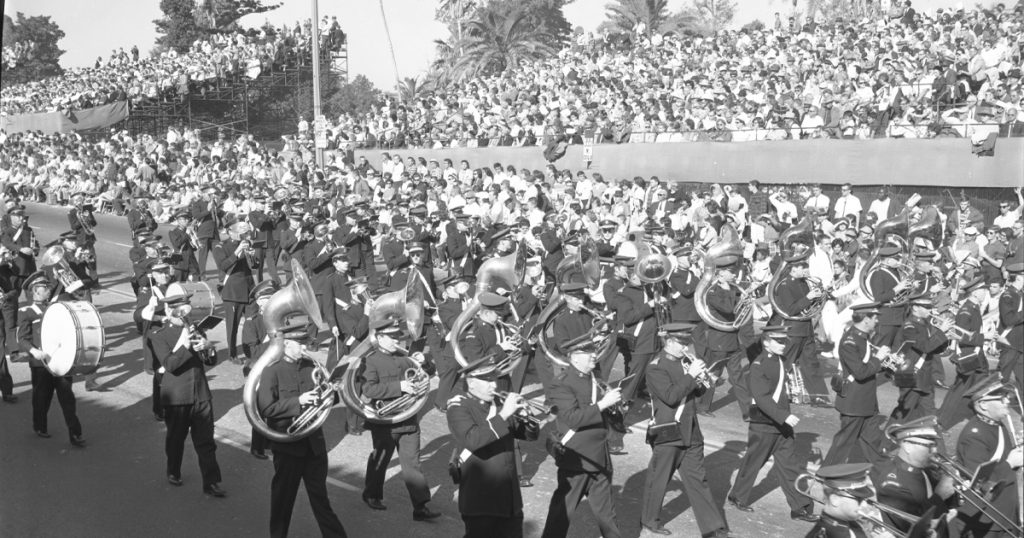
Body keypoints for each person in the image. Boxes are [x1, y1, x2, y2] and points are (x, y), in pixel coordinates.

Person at [640, 323, 730, 537]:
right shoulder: (656, 367)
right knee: (659, 479)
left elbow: (694, 394)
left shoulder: (685, 363)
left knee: (698, 479)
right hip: (668, 430)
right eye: (682, 343)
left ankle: (712, 527)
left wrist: (704, 380)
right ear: (669, 342)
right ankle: (649, 521)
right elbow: (671, 397)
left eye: (687, 343)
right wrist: (691, 375)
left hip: (691, 430)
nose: (686, 348)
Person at [256, 328, 348, 538]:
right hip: (288, 448)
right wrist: (299, 401)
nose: (306, 347)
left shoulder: (312, 367)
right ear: (286, 343)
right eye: (301, 343)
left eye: (306, 342)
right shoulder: (273, 371)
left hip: (314, 446)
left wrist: (333, 391)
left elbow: (328, 402)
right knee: (282, 501)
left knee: (321, 501)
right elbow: (266, 409)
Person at [727, 325, 816, 522]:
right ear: (766, 343)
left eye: (784, 340)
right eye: (778, 341)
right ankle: (737, 496)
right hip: (765, 424)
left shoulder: (781, 361)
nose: (783, 344)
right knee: (754, 463)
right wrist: (783, 416)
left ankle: (799, 507)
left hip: (782, 425)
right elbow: (761, 398)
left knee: (790, 466)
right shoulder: (758, 365)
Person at [446, 354, 536, 538]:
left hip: (509, 498)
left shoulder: (499, 404)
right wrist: (503, 415)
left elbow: (528, 435)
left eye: (494, 380)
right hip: (480, 500)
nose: (494, 386)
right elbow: (473, 439)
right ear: (471, 383)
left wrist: (528, 419)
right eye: (487, 381)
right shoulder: (459, 407)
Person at [540, 344, 624, 538]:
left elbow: (604, 415)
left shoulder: (596, 380)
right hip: (577, 457)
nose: (594, 356)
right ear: (574, 357)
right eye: (588, 353)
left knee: (607, 516)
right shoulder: (562, 382)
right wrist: (603, 404)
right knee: (562, 514)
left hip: (599, 456)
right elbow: (572, 418)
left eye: (594, 352)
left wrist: (617, 409)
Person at [360, 318, 439, 520]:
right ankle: (372, 494)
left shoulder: (405, 357)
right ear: (379, 337)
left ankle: (420, 507)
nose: (397, 341)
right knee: (381, 457)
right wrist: (400, 387)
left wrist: (425, 362)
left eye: (398, 337)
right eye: (392, 337)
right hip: (385, 420)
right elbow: (368, 389)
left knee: (412, 463)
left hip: (409, 419)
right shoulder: (371, 360)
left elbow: (428, 373)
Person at [149, 288, 225, 497]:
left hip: (200, 393)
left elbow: (210, 361)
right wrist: (184, 342)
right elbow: (171, 365)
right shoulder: (159, 336)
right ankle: (173, 470)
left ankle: (211, 482)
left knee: (206, 441)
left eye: (184, 308)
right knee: (176, 439)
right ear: (168, 310)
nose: (183, 313)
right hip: (177, 397)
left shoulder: (196, 329)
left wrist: (208, 347)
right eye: (178, 309)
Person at [17, 271, 85, 447]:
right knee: (42, 397)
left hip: (61, 360)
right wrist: (33, 351)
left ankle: (75, 433)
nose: (48, 290)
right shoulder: (26, 312)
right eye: (44, 287)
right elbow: (22, 339)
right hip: (40, 363)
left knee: (67, 398)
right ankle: (40, 426)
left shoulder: (56, 308)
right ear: (35, 291)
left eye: (48, 287)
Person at [950, 375, 1022, 537]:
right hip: (986, 519)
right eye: (1002, 397)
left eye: (1007, 396)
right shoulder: (974, 435)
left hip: (1004, 513)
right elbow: (978, 480)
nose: (1007, 401)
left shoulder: (996, 424)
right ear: (983, 405)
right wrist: (1010, 463)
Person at [822, 302, 887, 466]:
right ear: (866, 319)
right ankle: (826, 473)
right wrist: (878, 358)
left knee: (873, 444)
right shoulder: (850, 342)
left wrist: (885, 363)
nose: (877, 321)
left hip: (866, 402)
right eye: (875, 318)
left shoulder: (863, 338)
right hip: (854, 402)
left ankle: (884, 479)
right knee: (843, 444)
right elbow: (860, 372)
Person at [869, 416, 951, 534]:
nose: (934, 451)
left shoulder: (925, 468)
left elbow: (945, 505)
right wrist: (939, 496)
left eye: (935, 445)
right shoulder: (892, 485)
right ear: (907, 446)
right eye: (929, 446)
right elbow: (915, 529)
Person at [937, 277, 990, 430]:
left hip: (976, 354)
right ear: (974, 293)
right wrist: (983, 337)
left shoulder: (973, 307)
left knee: (981, 386)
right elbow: (960, 336)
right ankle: (942, 422)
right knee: (959, 391)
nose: (984, 292)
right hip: (969, 354)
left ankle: (977, 416)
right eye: (982, 290)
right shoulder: (966, 310)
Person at [891, 297, 949, 422]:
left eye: (930, 307)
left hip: (924, 375)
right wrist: (941, 332)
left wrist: (943, 335)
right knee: (904, 412)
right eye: (927, 307)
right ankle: (888, 438)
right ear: (915, 308)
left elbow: (934, 349)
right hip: (909, 373)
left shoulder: (925, 323)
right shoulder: (909, 326)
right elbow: (925, 347)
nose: (930, 310)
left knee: (929, 413)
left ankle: (933, 436)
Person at [243, 279, 281, 459]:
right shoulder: (252, 322)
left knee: (276, 404)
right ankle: (257, 446)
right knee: (259, 408)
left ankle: (271, 441)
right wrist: (271, 340)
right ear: (259, 302)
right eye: (268, 299)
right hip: (258, 369)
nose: (273, 302)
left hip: (276, 367)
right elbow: (251, 351)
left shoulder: (281, 319)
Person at [212, 215, 258, 364]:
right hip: (232, 291)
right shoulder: (220, 246)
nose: (242, 233)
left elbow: (255, 267)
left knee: (252, 323)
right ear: (230, 231)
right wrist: (237, 251)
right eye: (238, 230)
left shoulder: (247, 244)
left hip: (249, 289)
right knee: (232, 326)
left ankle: (251, 351)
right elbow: (223, 266)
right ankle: (232, 354)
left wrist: (252, 256)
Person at [135, 258, 175, 422]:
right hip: (157, 336)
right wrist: (150, 308)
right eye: (160, 272)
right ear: (152, 275)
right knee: (161, 373)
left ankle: (173, 404)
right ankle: (159, 408)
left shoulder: (174, 287)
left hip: (173, 334)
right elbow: (137, 316)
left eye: (166, 271)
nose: (164, 275)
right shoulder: (148, 292)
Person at [802, 463, 875, 538]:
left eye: (865, 499)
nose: (865, 505)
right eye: (859, 499)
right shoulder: (825, 534)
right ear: (835, 499)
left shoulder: (850, 523)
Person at [868, 246, 911, 347]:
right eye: (896, 259)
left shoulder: (896, 271)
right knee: (881, 349)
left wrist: (909, 287)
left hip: (899, 317)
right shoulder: (878, 274)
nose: (899, 261)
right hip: (886, 319)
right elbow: (878, 298)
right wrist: (897, 288)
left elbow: (898, 293)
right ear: (888, 260)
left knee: (895, 351)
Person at [996, 263, 1023, 396]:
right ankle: (990, 408)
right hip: (1009, 343)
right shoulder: (1008, 295)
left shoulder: (1020, 294)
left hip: (1020, 345)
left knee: (1022, 382)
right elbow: (1009, 320)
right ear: (1019, 278)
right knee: (1000, 380)